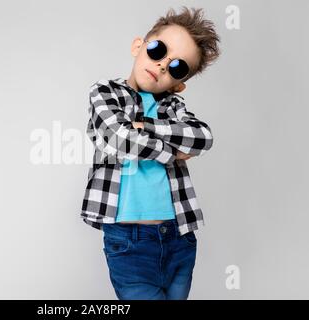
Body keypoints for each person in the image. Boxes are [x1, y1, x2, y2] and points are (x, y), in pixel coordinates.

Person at [80, 6, 221, 300]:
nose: (161, 66)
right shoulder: (105, 92)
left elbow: (202, 137)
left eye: (177, 67)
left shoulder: (173, 106)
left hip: (179, 236)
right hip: (128, 242)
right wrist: (172, 152)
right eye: (158, 50)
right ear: (139, 46)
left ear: (180, 84)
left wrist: (144, 126)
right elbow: (118, 138)